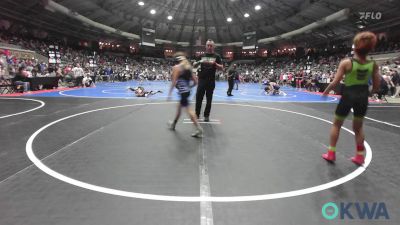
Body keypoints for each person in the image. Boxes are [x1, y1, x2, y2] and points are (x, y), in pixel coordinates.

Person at [322, 31, 380, 166]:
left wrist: (326, 92)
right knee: (358, 128)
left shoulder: (347, 63)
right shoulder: (373, 64)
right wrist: (368, 94)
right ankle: (360, 156)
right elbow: (376, 86)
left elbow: (335, 82)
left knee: (337, 124)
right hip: (362, 97)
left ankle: (331, 153)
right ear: (371, 48)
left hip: (348, 95)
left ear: (355, 46)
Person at [167, 52, 203, 138]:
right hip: (186, 92)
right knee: (179, 108)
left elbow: (174, 82)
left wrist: (169, 93)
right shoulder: (188, 68)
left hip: (183, 93)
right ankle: (173, 124)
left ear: (176, 60)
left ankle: (199, 129)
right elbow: (196, 82)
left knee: (189, 111)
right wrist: (188, 87)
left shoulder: (177, 67)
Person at [194, 39, 223, 122]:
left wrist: (215, 64)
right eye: (208, 45)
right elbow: (194, 65)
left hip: (211, 81)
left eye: (211, 45)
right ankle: (197, 115)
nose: (209, 47)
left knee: (209, 99)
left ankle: (206, 115)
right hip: (201, 80)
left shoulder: (217, 56)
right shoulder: (201, 56)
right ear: (205, 46)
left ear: (213, 46)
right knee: (198, 98)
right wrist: (200, 62)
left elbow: (222, 68)